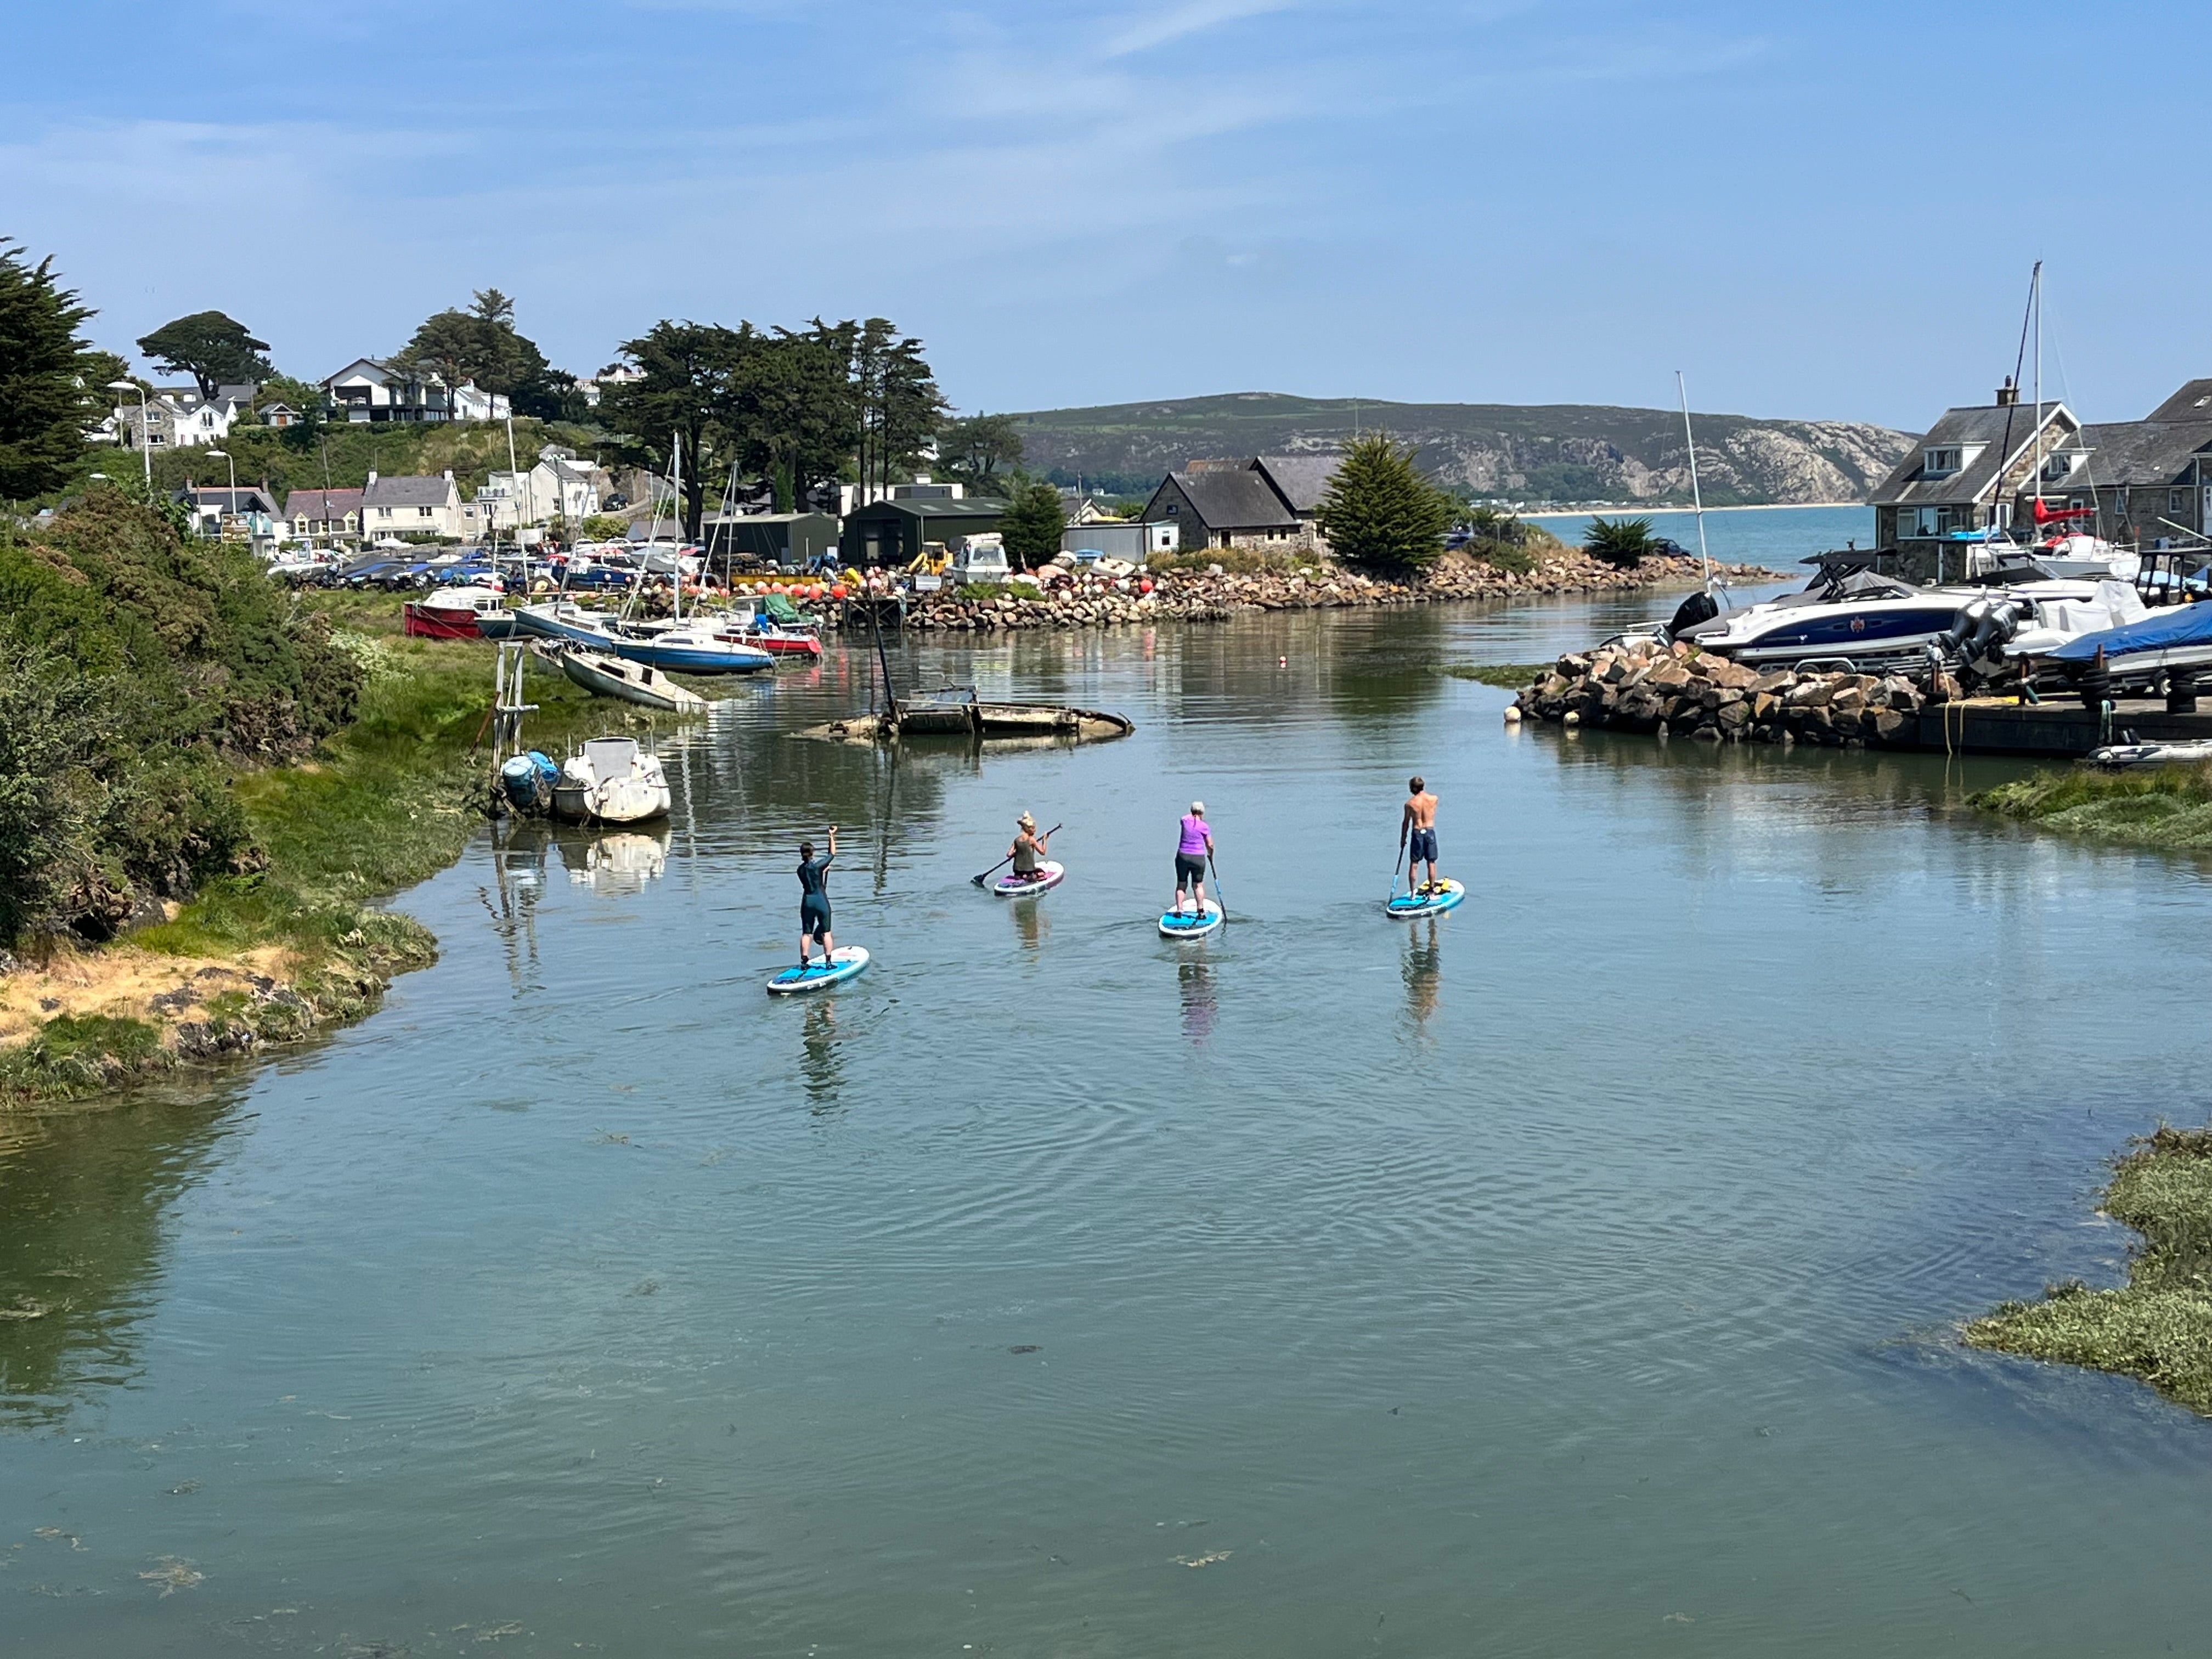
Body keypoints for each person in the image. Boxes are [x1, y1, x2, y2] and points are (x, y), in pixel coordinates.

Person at [796, 825, 838, 968]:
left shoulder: (800, 870)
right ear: (812, 853)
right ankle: (828, 962)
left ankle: (804, 962)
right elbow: (832, 854)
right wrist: (831, 836)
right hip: (820, 901)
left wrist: (822, 871)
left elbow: (812, 877)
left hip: (807, 901)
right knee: (826, 932)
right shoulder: (817, 866)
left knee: (807, 934)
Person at [1172, 800, 1214, 917]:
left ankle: (1180, 910)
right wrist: (1211, 855)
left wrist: (1193, 813)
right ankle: (1200, 911)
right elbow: (1210, 845)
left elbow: (1185, 817)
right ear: (1203, 813)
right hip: (1198, 858)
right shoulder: (1205, 827)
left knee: (1181, 884)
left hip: (1183, 857)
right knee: (1198, 885)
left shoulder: (1185, 821)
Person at [1401, 776, 1442, 894]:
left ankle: (1412, 893)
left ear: (1413, 788)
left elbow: (1406, 823)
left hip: (1417, 832)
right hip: (1429, 831)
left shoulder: (1410, 804)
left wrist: (1403, 839)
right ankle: (1432, 890)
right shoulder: (1434, 799)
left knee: (1414, 863)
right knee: (1431, 862)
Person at [1008, 812, 1051, 883]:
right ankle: (1029, 877)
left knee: (1027, 873)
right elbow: (1043, 852)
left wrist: (1016, 853)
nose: (1035, 830)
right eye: (1033, 828)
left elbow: (1009, 855)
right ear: (1027, 829)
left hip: (1017, 873)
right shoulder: (1031, 840)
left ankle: (1022, 876)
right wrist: (1044, 840)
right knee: (1042, 873)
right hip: (1029, 872)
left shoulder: (1016, 840)